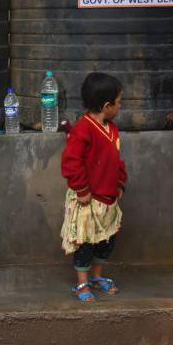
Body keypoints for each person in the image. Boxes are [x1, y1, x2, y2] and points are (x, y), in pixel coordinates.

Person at [60, 72, 127, 302]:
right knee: (85, 243)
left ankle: (97, 277)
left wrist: (120, 182)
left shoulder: (112, 128)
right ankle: (82, 284)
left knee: (106, 241)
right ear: (107, 106)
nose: (120, 107)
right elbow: (71, 162)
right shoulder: (83, 130)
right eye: (119, 103)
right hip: (88, 199)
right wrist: (82, 190)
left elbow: (116, 159)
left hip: (108, 199)